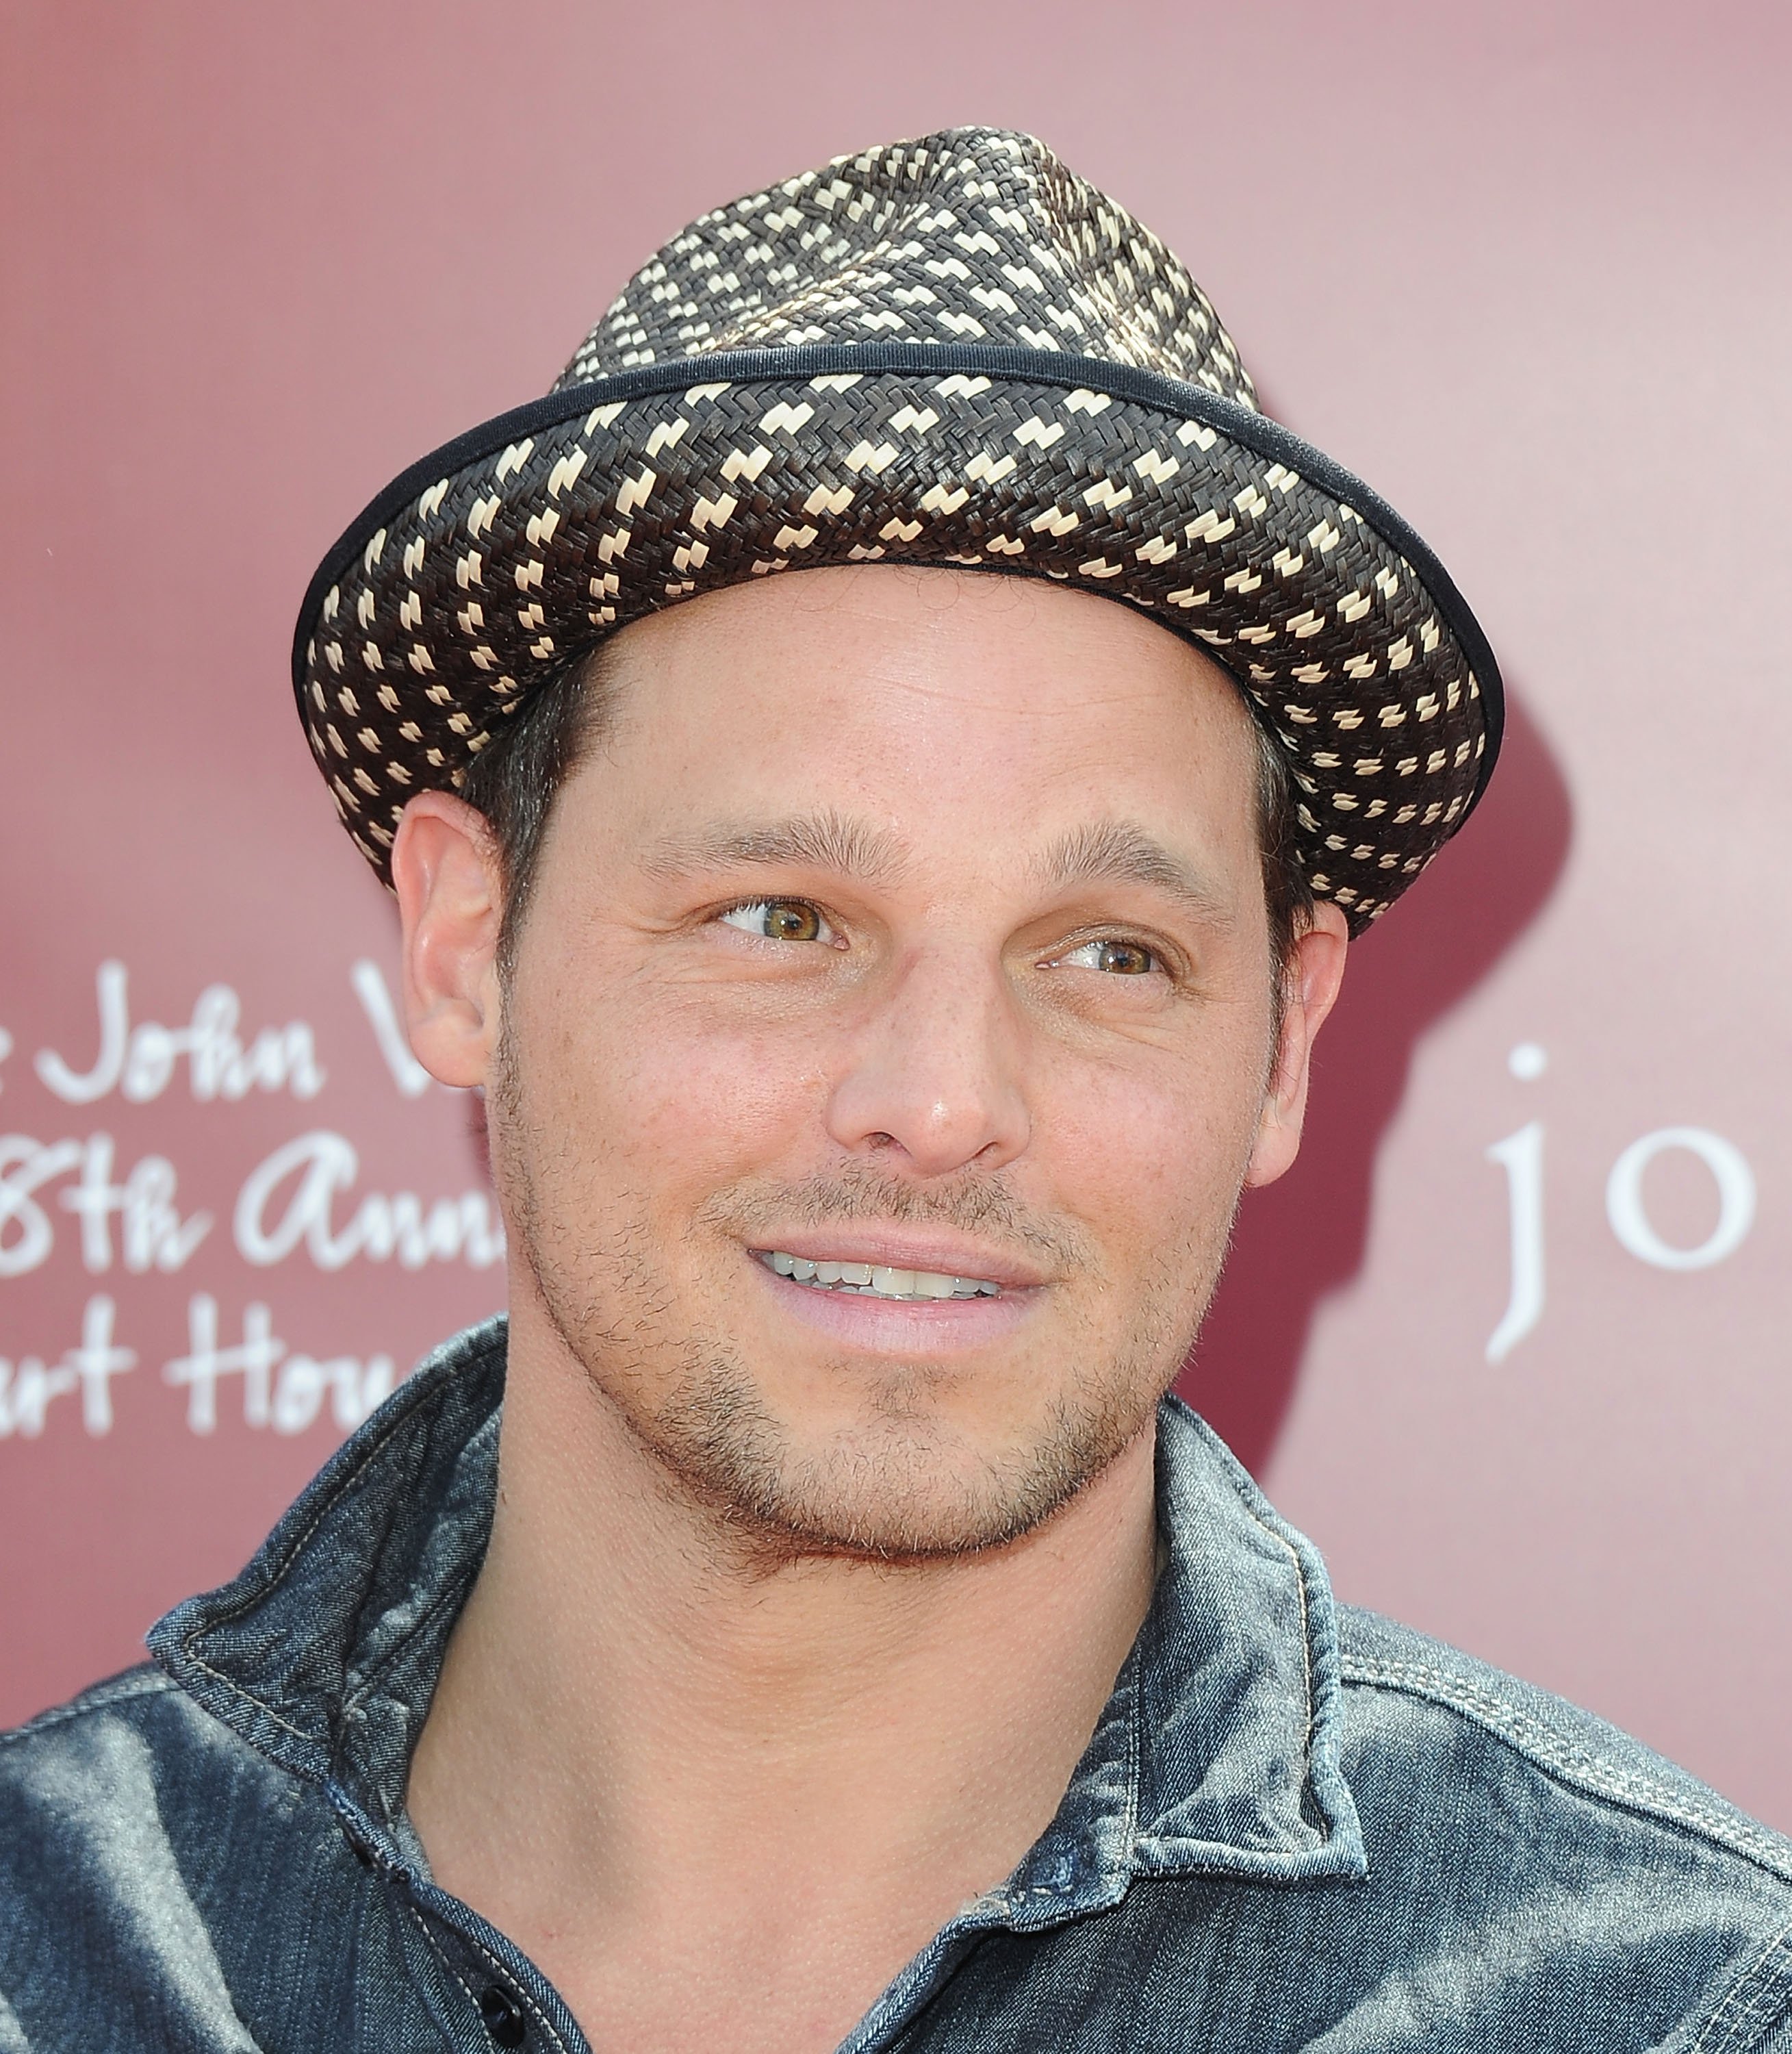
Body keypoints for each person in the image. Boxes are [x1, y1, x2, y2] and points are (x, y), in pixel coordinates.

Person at [3, 125, 1789, 2054]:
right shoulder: (50, 1954)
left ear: (1280, 1043)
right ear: (461, 944)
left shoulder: (1660, 2010)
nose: (939, 1104)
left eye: (1110, 954)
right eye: (780, 916)